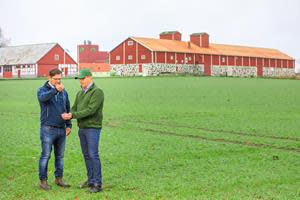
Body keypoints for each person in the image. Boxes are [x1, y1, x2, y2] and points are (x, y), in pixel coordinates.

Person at [62, 68, 104, 193]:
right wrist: (67, 114)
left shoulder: (97, 92)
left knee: (93, 155)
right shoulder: (80, 93)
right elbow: (74, 108)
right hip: (83, 128)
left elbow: (91, 110)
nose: (81, 81)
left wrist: (72, 115)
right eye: (80, 79)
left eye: (83, 78)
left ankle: (97, 183)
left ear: (90, 77)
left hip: (93, 128)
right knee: (86, 156)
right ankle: (90, 180)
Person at [37, 68, 71, 190]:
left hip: (61, 129)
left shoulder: (64, 92)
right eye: (55, 79)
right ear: (49, 78)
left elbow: (67, 108)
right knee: (46, 155)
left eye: (59, 79)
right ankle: (43, 181)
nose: (58, 81)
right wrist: (54, 90)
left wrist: (69, 125)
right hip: (48, 129)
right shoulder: (42, 90)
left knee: (60, 156)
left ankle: (59, 179)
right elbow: (43, 99)